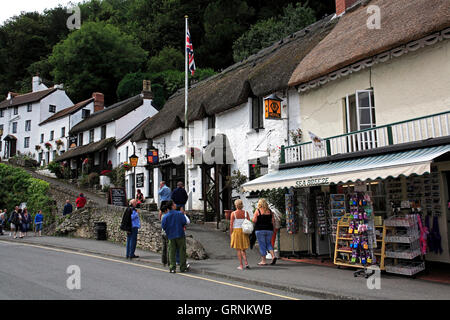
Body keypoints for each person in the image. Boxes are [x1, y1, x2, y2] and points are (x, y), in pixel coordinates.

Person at [161, 200, 189, 273]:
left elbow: (163, 226)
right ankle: (183, 267)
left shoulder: (165, 216)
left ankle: (172, 268)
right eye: (174, 204)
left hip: (171, 235)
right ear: (172, 206)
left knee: (172, 252)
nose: (175, 205)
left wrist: (168, 230)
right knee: (182, 251)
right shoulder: (179, 214)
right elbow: (184, 222)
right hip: (180, 234)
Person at [252, 198, 277, 266]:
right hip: (269, 230)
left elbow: (254, 220)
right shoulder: (270, 211)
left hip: (260, 230)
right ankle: (273, 256)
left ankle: (263, 261)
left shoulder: (258, 211)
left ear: (259, 204)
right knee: (269, 243)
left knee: (262, 245)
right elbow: (273, 221)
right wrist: (273, 229)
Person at [230, 199, 250, 270]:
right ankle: (246, 263)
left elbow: (231, 225)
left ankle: (241, 265)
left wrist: (231, 233)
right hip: (244, 231)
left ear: (236, 205)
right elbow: (248, 222)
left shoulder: (233, 213)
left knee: (238, 249)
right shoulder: (246, 213)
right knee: (243, 249)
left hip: (236, 231)